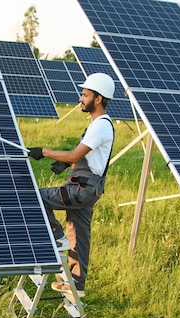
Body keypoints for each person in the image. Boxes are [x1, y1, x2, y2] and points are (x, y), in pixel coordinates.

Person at [28, 73, 115, 298]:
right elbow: (85, 158)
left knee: (35, 197)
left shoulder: (101, 126)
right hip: (88, 188)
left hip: (81, 190)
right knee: (79, 236)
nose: (80, 98)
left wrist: (44, 152)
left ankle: (56, 237)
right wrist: (65, 164)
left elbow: (76, 153)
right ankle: (76, 284)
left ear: (98, 99)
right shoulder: (100, 125)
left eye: (85, 95)